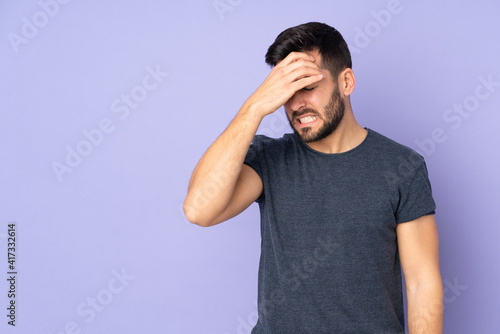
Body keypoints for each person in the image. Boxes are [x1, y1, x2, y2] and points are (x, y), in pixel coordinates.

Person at [183, 22, 443, 333]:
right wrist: (254, 108)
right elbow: (199, 210)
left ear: (346, 81)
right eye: (286, 92)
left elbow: (421, 283)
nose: (295, 104)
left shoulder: (403, 166)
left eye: (307, 86)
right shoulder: (268, 159)